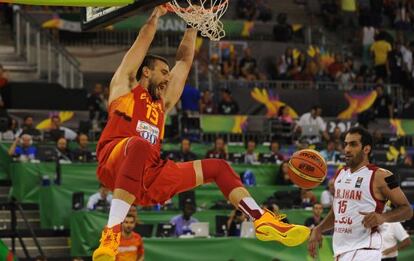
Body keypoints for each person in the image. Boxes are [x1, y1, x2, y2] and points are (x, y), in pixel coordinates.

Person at [93, 6, 310, 260]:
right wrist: (155, 17)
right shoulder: (124, 87)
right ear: (146, 71)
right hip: (114, 160)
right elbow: (143, 41)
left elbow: (184, 61)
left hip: (150, 175)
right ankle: (111, 234)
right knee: (139, 145)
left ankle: (261, 219)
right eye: (163, 72)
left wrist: (192, 24)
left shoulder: (164, 102)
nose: (167, 78)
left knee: (218, 167)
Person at [308, 127, 413, 260]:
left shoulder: (381, 175)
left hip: (365, 251)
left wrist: (382, 217)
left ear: (366, 149)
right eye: (346, 144)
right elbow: (337, 213)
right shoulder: (340, 174)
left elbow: (407, 210)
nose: (347, 149)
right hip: (342, 251)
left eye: (353, 144)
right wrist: (319, 228)